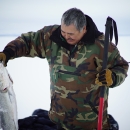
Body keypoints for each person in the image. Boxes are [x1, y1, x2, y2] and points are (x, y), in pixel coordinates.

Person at [0, 8, 129, 130]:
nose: (66, 37)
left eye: (71, 34)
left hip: (91, 123)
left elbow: (122, 67)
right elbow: (28, 41)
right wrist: (8, 53)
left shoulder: (101, 46)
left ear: (83, 29)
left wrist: (112, 77)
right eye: (63, 32)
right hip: (58, 120)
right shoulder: (51, 37)